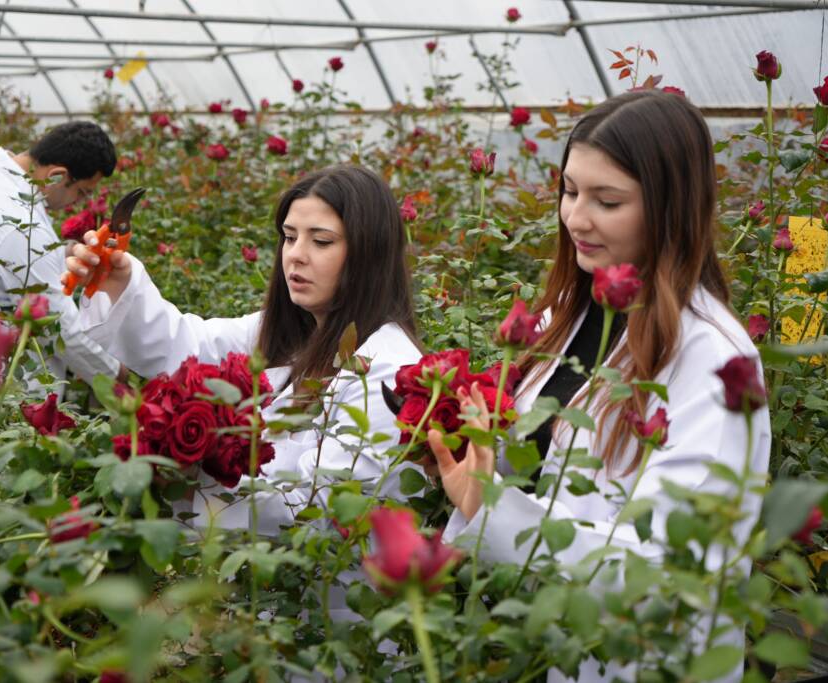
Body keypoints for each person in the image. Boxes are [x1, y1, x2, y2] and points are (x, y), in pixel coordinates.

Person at [428, 90, 771, 681]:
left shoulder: (714, 361)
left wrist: (495, 511)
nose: (575, 217)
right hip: (546, 644)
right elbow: (543, 475)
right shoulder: (575, 309)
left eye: (606, 200)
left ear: (670, 208)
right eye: (569, 190)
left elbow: (668, 578)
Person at [63, 164, 423, 533]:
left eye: (321, 241)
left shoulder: (388, 373)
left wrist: (194, 477)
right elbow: (189, 347)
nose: (295, 255)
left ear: (369, 253)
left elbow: (319, 510)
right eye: (289, 236)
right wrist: (118, 280)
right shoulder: (289, 333)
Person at [0, 121, 124, 384]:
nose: (79, 202)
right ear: (58, 175)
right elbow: (60, 328)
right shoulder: (22, 225)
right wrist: (120, 374)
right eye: (81, 191)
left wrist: (65, 252)